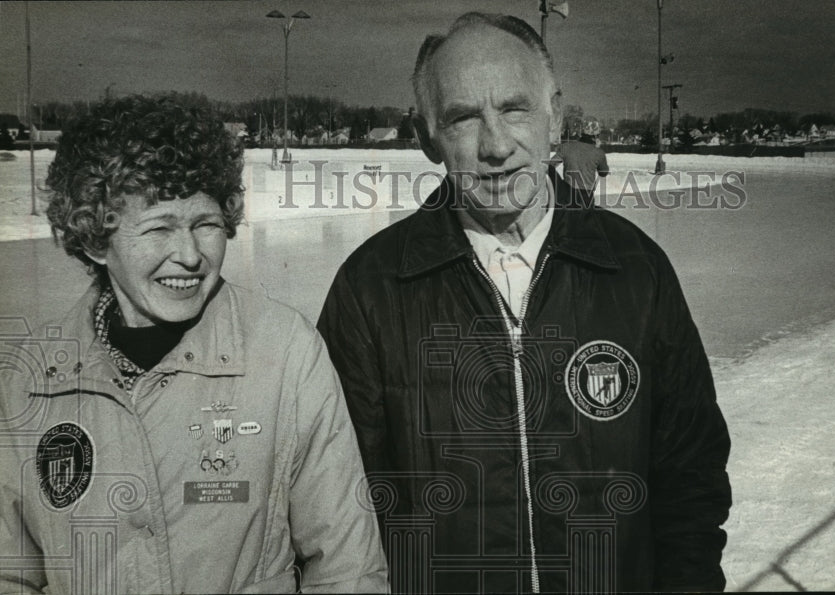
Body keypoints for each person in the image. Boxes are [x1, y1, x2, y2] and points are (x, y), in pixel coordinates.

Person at [318, 12, 731, 594]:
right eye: (463, 118)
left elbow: (690, 476)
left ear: (554, 118)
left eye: (515, 109)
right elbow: (338, 507)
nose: (496, 146)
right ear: (426, 139)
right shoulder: (370, 290)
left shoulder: (636, 271)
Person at [0, 95, 388, 594]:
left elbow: (347, 569)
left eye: (205, 224)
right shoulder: (27, 381)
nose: (189, 255)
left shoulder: (285, 352)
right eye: (159, 227)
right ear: (96, 240)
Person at [553, 131, 609, 200]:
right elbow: (603, 173)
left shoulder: (566, 147)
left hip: (567, 191)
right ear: (595, 138)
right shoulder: (599, 152)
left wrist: (559, 184)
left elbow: (550, 165)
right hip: (586, 193)